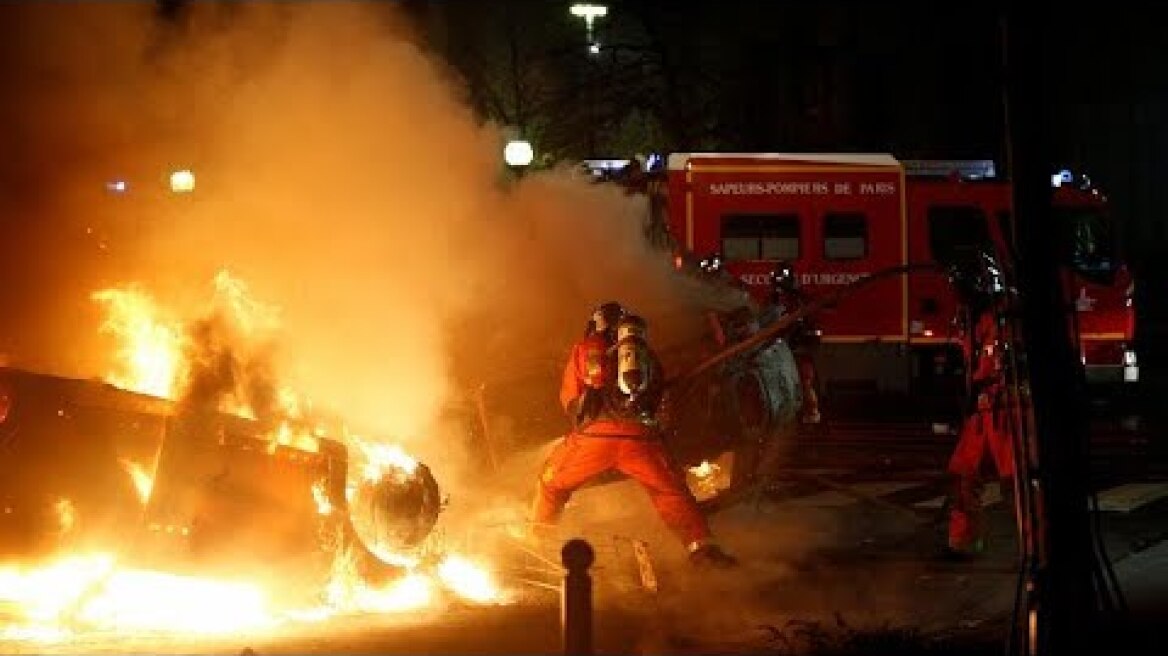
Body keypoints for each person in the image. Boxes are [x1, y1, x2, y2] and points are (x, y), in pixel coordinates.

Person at [531, 301, 738, 568]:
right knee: (670, 492)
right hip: (641, 439)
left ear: (595, 324)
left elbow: (570, 400)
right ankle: (702, 548)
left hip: (593, 439)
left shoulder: (584, 349)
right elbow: (655, 397)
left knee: (551, 484)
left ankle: (538, 543)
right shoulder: (645, 355)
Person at [942, 254, 1016, 559]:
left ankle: (1040, 549)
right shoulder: (973, 317)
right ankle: (964, 541)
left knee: (1018, 483)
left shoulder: (1005, 317)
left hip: (1008, 408)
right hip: (984, 407)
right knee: (961, 475)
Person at [766, 261, 822, 425]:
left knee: (804, 382)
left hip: (799, 348)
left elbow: (806, 324)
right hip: (785, 348)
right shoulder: (777, 300)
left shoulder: (798, 300)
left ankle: (811, 415)